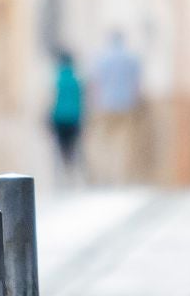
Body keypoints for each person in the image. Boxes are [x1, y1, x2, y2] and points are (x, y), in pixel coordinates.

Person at [88, 29, 143, 183]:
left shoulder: (102, 58)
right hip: (126, 105)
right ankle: (120, 176)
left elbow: (95, 84)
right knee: (123, 142)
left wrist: (95, 104)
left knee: (105, 142)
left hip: (106, 105)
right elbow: (136, 85)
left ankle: (106, 175)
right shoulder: (131, 59)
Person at [51, 51, 85, 179]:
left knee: (60, 149)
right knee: (73, 148)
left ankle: (61, 176)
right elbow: (81, 100)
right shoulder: (77, 80)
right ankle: (72, 175)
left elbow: (52, 99)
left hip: (59, 119)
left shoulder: (56, 79)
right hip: (74, 118)